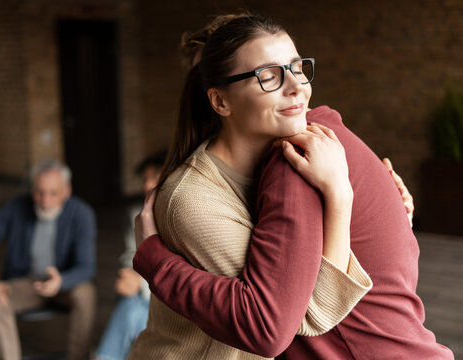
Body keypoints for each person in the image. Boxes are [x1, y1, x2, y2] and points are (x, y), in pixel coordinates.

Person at [132, 14, 454, 360]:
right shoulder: (195, 199)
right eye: (267, 76)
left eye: (297, 68)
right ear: (219, 100)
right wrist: (341, 198)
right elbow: (294, 318)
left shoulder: (297, 159)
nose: (296, 87)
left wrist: (376, 212)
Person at [0, 160, 97, 360]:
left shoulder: (82, 213)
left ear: (67, 191)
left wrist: (61, 281)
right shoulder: (16, 207)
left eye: (54, 193)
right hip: (26, 282)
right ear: (32, 189)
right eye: (39, 192)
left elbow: (86, 267)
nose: (45, 201)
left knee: (86, 294)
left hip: (66, 282)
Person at [93, 151, 166, 360]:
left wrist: (140, 283)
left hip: (173, 295)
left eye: (155, 177)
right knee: (132, 302)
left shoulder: (182, 215)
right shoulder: (139, 213)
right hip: (147, 291)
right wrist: (129, 273)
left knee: (133, 307)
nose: (147, 185)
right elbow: (131, 254)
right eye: (145, 179)